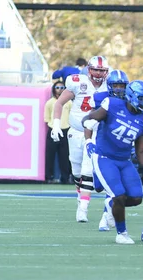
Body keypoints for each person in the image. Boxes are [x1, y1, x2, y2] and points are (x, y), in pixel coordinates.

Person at [81, 80, 143, 244]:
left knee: (136, 197)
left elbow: (140, 149)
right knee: (119, 195)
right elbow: (88, 119)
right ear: (132, 96)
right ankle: (121, 233)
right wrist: (88, 140)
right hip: (104, 157)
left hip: (124, 160)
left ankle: (110, 204)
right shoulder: (112, 104)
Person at [52, 55, 110, 223]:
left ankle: (83, 209)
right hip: (76, 131)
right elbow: (58, 103)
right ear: (89, 69)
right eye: (96, 70)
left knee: (87, 170)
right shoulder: (77, 81)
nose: (99, 74)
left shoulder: (110, 85)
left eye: (102, 70)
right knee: (77, 172)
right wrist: (56, 124)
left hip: (96, 134)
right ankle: (80, 200)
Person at [92, 69, 130, 232]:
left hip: (118, 148)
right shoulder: (101, 99)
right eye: (116, 85)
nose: (120, 89)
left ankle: (105, 216)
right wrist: (88, 141)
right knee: (98, 186)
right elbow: (91, 119)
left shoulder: (130, 100)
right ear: (110, 86)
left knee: (114, 185)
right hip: (101, 145)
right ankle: (108, 212)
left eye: (122, 86)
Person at [44, 82, 71, 184]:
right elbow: (47, 119)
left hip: (65, 129)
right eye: (57, 87)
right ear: (54, 89)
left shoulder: (69, 103)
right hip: (53, 129)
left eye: (62, 87)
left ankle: (65, 177)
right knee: (50, 155)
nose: (60, 89)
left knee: (65, 156)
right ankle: (49, 177)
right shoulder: (50, 103)